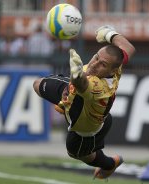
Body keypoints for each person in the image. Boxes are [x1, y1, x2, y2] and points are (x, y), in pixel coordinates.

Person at [33, 25, 135, 179]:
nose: (95, 64)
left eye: (103, 65)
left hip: (86, 128)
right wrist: (109, 33)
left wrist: (77, 75)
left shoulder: (100, 87)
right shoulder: (116, 66)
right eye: (96, 57)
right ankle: (67, 101)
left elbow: (82, 84)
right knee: (37, 84)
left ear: (112, 70)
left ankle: (109, 164)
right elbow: (128, 47)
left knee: (77, 153)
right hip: (85, 102)